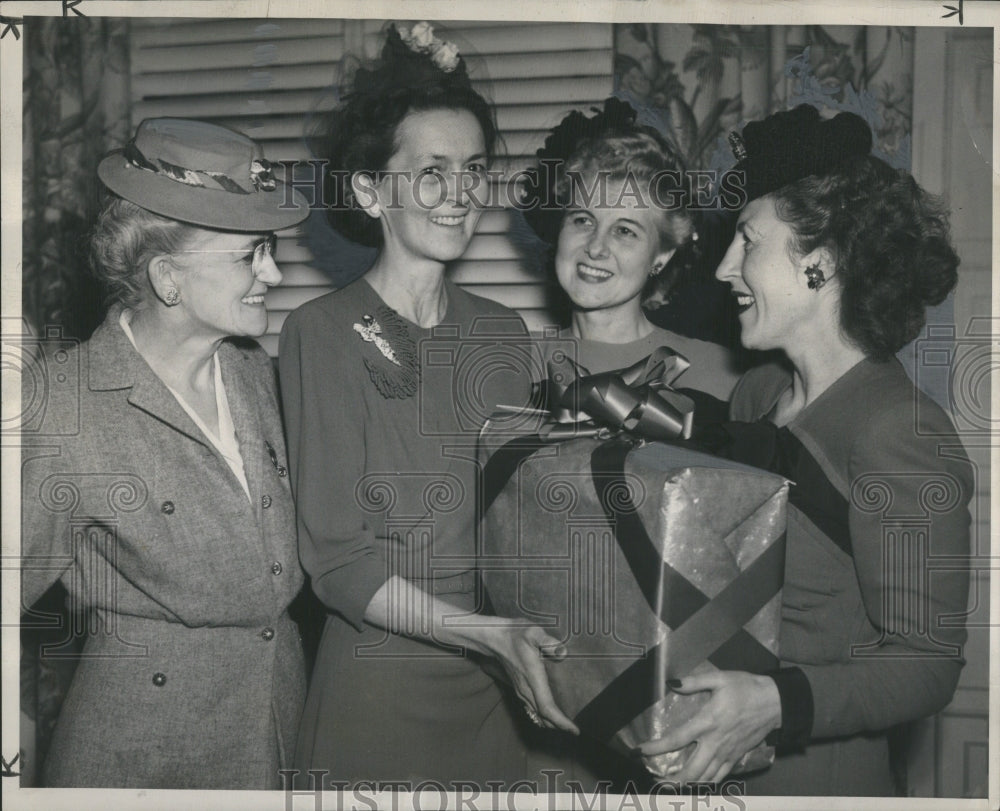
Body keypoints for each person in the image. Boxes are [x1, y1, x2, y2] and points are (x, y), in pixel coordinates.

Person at [637, 104, 973, 795]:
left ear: (819, 261)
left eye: (748, 241)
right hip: (708, 767)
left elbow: (926, 665)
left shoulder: (900, 430)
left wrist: (772, 702)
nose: (726, 266)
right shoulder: (758, 395)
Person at [279, 22, 577, 787]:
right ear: (370, 190)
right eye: (432, 171)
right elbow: (339, 564)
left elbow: (522, 522)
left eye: (474, 168)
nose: (462, 194)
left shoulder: (505, 331)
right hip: (378, 694)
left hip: (499, 695)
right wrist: (486, 634)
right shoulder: (321, 332)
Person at [20, 118, 310, 788]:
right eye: (250, 254)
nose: (274, 270)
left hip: (276, 732)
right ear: (168, 278)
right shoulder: (67, 406)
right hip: (143, 758)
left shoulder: (254, 373)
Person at [523, 97, 741, 414]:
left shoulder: (719, 374)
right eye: (583, 220)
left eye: (625, 231)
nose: (596, 247)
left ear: (662, 255)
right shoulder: (512, 365)